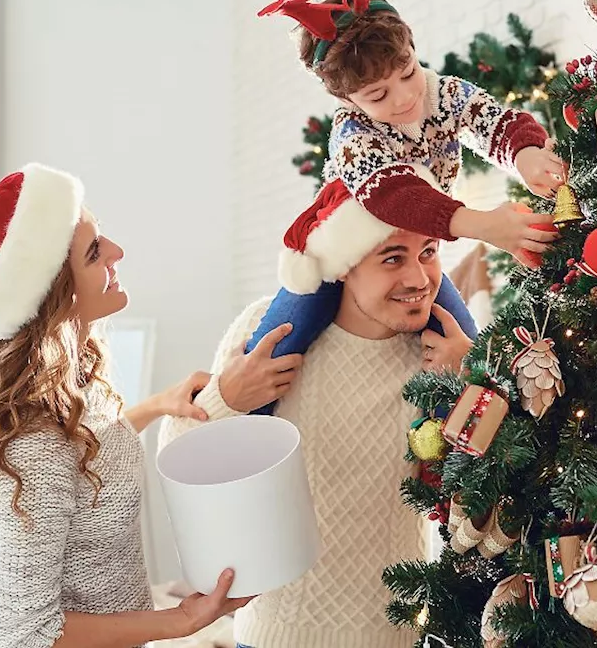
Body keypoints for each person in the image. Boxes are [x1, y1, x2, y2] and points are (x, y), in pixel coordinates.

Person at [0, 164, 251, 648]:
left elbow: (79, 461)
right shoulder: (32, 448)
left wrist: (157, 406)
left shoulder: (64, 385)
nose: (117, 253)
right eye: (93, 252)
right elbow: (23, 634)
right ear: (52, 297)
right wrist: (182, 621)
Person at [160, 181, 476, 648]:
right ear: (344, 266)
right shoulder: (265, 333)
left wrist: (468, 386)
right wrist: (228, 396)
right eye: (392, 258)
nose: (418, 278)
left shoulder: (444, 354)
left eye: (428, 252)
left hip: (398, 636)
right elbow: (179, 461)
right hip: (274, 636)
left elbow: (486, 495)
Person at [245, 0, 566, 372]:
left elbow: (491, 121)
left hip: (412, 247)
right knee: (276, 346)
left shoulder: (443, 94)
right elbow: (396, 197)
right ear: (348, 101)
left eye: (409, 72)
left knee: (463, 338)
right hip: (344, 252)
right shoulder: (352, 134)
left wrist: (526, 154)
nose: (402, 98)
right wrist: (484, 225)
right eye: (377, 95)